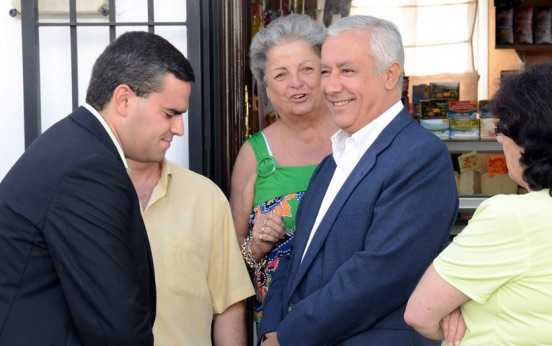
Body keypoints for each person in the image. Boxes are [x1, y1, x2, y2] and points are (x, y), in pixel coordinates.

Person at [405, 63, 552, 345]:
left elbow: (420, 313)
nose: (500, 139)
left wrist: (457, 312)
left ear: (532, 141)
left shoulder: (514, 217)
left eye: (502, 129)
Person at [258, 15, 459, 346]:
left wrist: (288, 336)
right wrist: (270, 328)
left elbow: (378, 276)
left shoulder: (420, 157)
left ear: (390, 75)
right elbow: (295, 256)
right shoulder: (333, 160)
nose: (330, 86)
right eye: (325, 71)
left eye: (347, 71)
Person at [0, 31, 193, 345]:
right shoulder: (88, 168)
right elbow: (115, 327)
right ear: (124, 99)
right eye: (170, 114)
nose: (179, 129)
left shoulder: (76, 146)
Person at [230, 14, 337, 326]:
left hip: (353, 321)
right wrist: (256, 246)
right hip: (280, 325)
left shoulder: (356, 138)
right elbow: (231, 257)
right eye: (281, 74)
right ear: (265, 87)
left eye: (307, 68)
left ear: (325, 71)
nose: (296, 83)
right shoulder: (254, 156)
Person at [127, 161, 254, 343]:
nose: (177, 131)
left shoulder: (206, 196)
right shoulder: (80, 193)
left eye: (182, 128)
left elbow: (227, 305)